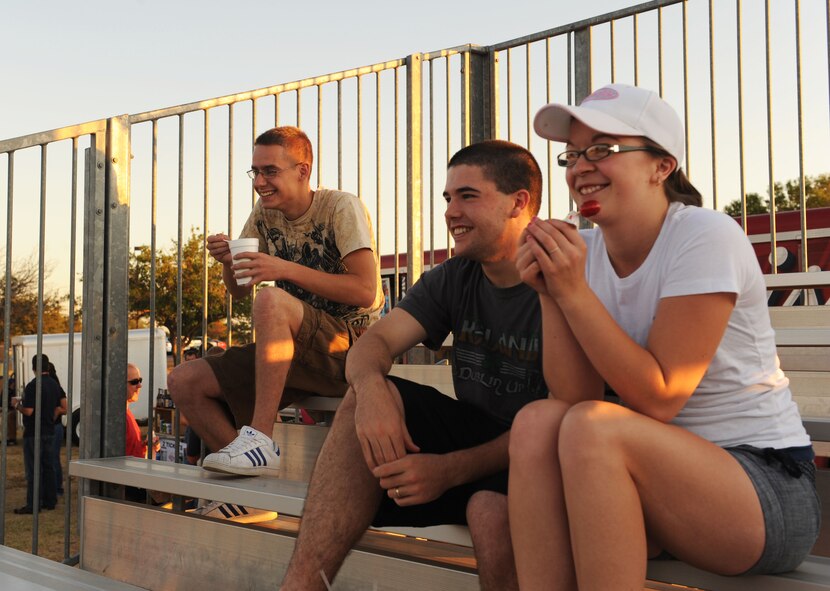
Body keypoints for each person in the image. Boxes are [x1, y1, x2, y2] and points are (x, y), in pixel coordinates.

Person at [508, 83, 820, 590]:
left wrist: (572, 291)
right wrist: (551, 292)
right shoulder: (586, 252)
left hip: (765, 491)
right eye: (572, 155)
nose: (579, 168)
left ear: (662, 166)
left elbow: (661, 396)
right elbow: (571, 396)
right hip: (653, 487)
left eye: (603, 150)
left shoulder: (705, 235)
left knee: (594, 426)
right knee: (538, 422)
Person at [280, 140, 548, 591]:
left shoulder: (564, 270)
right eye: (447, 198)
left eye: (468, 196)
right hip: (482, 434)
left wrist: (449, 471)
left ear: (518, 202)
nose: (450, 212)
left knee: (489, 513)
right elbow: (375, 343)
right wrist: (371, 389)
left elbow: (559, 422)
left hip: (551, 453)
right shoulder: (454, 275)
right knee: (366, 401)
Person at [167, 126, 384, 478]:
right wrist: (228, 263)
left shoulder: (340, 206)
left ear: (303, 170)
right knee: (183, 381)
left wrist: (284, 268)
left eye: (270, 171)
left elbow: (366, 291)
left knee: (271, 299)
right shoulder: (265, 213)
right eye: (256, 171)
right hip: (296, 349)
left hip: (353, 344)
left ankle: (260, 439)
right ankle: (250, 488)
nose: (260, 181)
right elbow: (239, 290)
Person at [12, 354, 62, 514]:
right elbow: (58, 408)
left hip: (34, 433)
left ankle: (33, 504)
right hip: (50, 430)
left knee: (34, 469)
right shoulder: (54, 385)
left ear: (34, 368)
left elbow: (29, 411)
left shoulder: (33, 385)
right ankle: (50, 500)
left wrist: (17, 405)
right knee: (48, 467)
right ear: (47, 367)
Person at [124, 363, 161, 503]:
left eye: (140, 380)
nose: (139, 386)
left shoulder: (127, 412)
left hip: (136, 481)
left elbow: (130, 449)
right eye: (134, 382)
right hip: (129, 487)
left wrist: (146, 446)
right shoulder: (118, 417)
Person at [47, 362, 67, 496]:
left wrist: (55, 413)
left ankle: (58, 487)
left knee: (53, 458)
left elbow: (65, 408)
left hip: (55, 427)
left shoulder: (56, 388)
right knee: (51, 458)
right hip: (52, 427)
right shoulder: (54, 387)